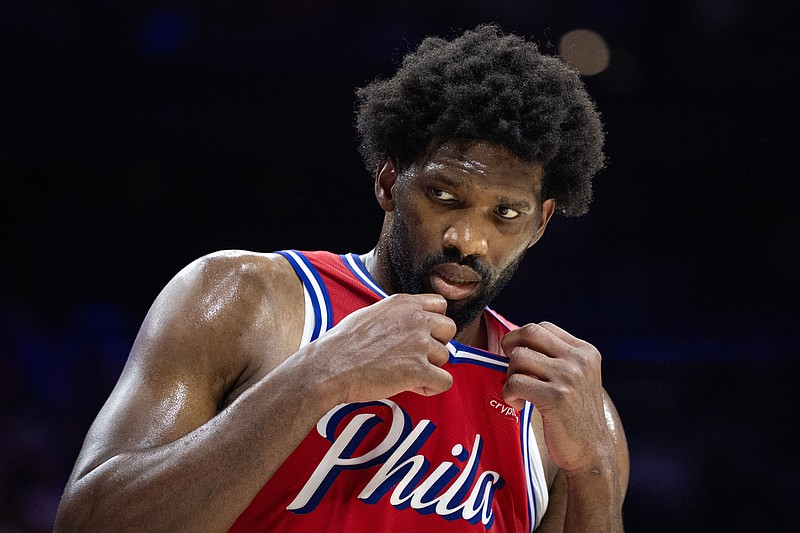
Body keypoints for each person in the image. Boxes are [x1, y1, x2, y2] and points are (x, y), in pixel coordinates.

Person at [55, 24, 629, 532]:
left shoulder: (562, 400)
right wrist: (316, 377)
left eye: (505, 214)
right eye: (443, 195)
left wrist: (594, 470)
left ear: (540, 224)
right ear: (387, 183)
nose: (467, 239)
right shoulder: (243, 297)